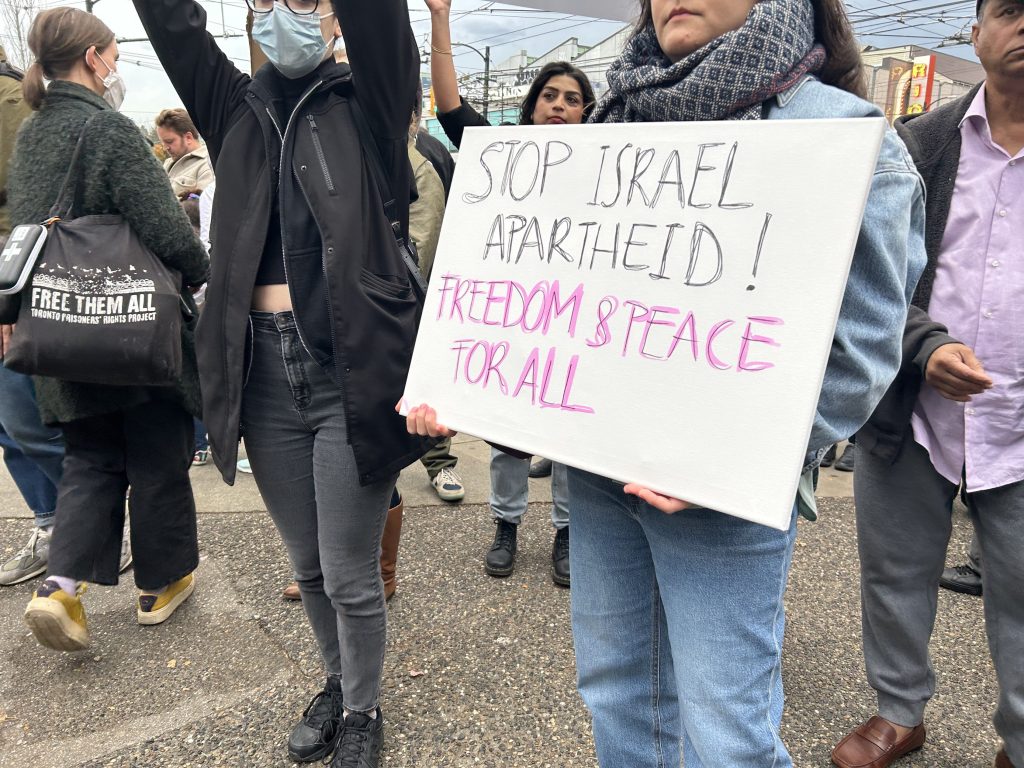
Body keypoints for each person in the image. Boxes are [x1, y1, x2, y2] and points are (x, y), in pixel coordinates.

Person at [408, 0, 926, 763]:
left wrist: (733, 456)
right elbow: (549, 296)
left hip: (719, 500)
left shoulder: (846, 138)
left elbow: (864, 346)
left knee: (726, 732)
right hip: (595, 474)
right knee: (616, 688)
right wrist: (473, 388)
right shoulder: (610, 125)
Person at [132, 1, 428, 766]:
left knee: (349, 570)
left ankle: (363, 711)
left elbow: (382, 25)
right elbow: (169, 22)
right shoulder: (233, 105)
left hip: (346, 367)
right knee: (306, 565)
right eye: (267, 1)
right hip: (259, 370)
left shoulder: (372, 98)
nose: (284, 14)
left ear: (335, 19)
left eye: (306, 2)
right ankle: (337, 683)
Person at [831, 1, 1023, 767]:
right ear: (975, 34)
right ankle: (899, 712)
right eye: (1010, 10)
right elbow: (866, 276)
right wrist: (922, 345)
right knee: (895, 571)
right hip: (913, 411)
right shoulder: (918, 143)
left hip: (1017, 425)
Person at [4, 7, 207, 651]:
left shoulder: (32, 135)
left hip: (61, 329)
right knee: (156, 457)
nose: (116, 65)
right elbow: (165, 229)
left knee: (90, 460)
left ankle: (59, 587)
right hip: (130, 328)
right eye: (114, 54)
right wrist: (201, 268)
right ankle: (160, 585)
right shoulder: (111, 131)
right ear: (92, 58)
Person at [427, 0, 596, 587]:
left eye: (573, 99)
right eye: (551, 95)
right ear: (531, 106)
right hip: (515, 321)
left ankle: (568, 534)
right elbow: (448, 107)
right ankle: (505, 524)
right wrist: (441, 18)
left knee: (570, 436)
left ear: (586, 115)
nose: (560, 106)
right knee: (509, 435)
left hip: (576, 320)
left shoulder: (606, 165)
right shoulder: (499, 154)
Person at [155, 108, 215, 198]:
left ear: (188, 138)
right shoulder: (166, 164)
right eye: (163, 143)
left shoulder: (206, 165)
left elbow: (200, 208)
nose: (165, 148)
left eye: (169, 141)